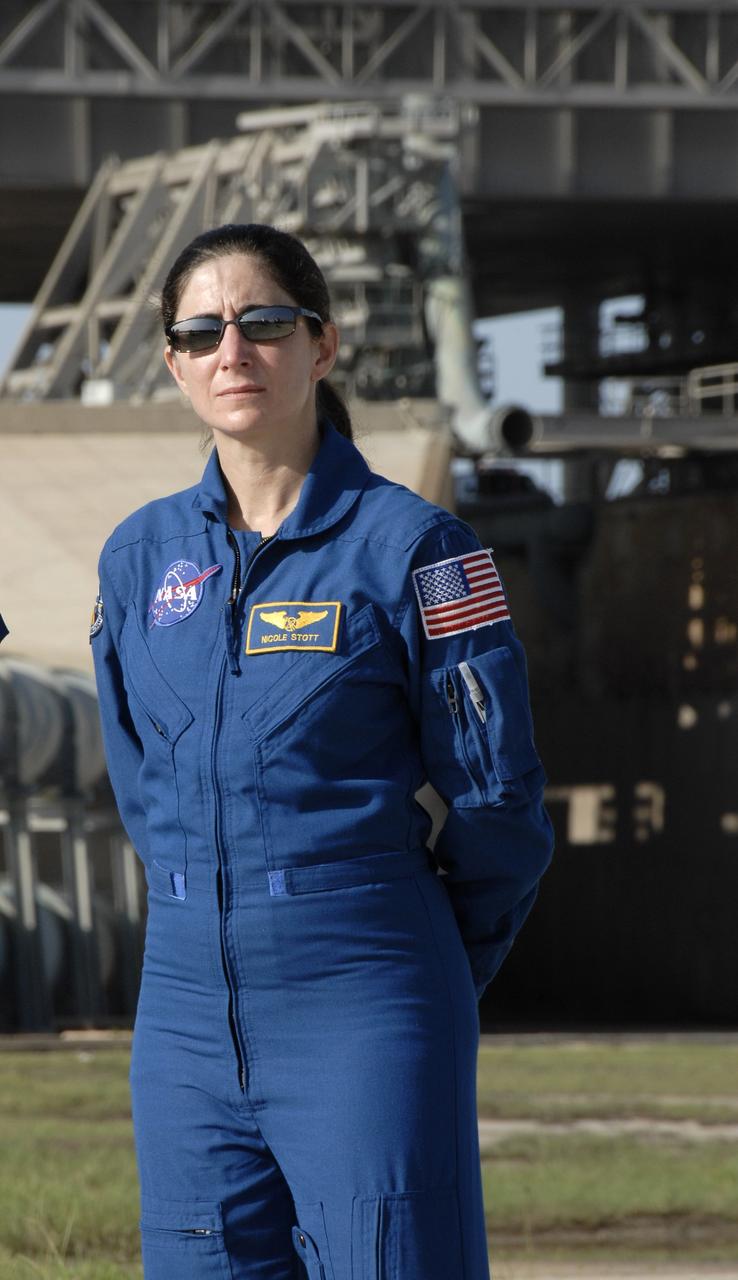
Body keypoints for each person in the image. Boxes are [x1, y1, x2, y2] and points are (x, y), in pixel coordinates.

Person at [91, 222, 553, 1280]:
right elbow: (141, 785)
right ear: (173, 361)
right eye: (201, 332)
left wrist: (421, 966)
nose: (232, 353)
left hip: (364, 993)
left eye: (262, 324)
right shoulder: (139, 559)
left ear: (323, 346)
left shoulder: (418, 549)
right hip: (183, 1018)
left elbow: (500, 804)